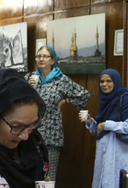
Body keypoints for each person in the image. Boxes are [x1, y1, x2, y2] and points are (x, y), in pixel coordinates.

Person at [26, 45, 90, 180]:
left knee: (48, 178)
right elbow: (18, 101)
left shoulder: (61, 80)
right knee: (30, 175)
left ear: (52, 60)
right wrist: (28, 87)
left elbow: (84, 95)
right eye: (39, 56)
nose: (41, 59)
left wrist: (65, 101)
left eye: (45, 56)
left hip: (51, 137)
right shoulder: (30, 78)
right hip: (29, 135)